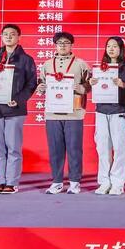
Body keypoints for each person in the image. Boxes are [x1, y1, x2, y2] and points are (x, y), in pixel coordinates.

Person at [0, 24, 37, 195]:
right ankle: (1, 181)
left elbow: (31, 84)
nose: (9, 37)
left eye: (12, 34)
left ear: (19, 37)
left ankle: (12, 182)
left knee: (13, 147)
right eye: (5, 34)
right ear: (1, 37)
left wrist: (18, 100)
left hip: (14, 109)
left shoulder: (26, 60)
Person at [36, 31, 90, 194]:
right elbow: (40, 83)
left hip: (74, 112)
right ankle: (57, 182)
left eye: (66, 43)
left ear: (71, 45)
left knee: (74, 148)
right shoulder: (46, 64)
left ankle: (74, 182)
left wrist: (81, 88)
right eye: (60, 43)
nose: (63, 45)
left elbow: (90, 84)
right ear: (55, 45)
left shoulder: (81, 64)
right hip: (52, 113)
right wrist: (40, 88)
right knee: (55, 149)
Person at [90, 36, 125, 195]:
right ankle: (104, 182)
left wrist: (123, 84)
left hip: (119, 111)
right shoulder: (100, 68)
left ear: (121, 49)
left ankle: (117, 183)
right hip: (101, 111)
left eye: (115, 46)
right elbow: (95, 87)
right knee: (102, 148)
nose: (111, 49)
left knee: (120, 148)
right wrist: (92, 82)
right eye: (108, 46)